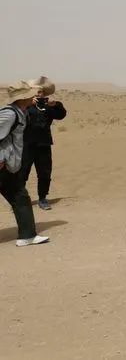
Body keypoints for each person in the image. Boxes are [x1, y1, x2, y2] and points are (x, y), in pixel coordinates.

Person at [0, 80, 50, 246]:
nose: (33, 97)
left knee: (20, 196)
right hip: (2, 164)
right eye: (29, 95)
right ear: (22, 98)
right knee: (19, 196)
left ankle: (27, 236)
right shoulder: (10, 114)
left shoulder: (20, 111)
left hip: (8, 166)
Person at [20, 77, 66, 210]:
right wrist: (27, 104)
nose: (38, 94)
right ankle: (20, 199)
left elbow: (61, 115)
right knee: (22, 172)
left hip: (44, 144)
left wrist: (56, 104)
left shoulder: (48, 107)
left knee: (45, 173)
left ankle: (42, 198)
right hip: (26, 144)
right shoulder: (24, 105)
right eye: (35, 92)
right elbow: (14, 112)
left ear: (44, 93)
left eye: (40, 92)